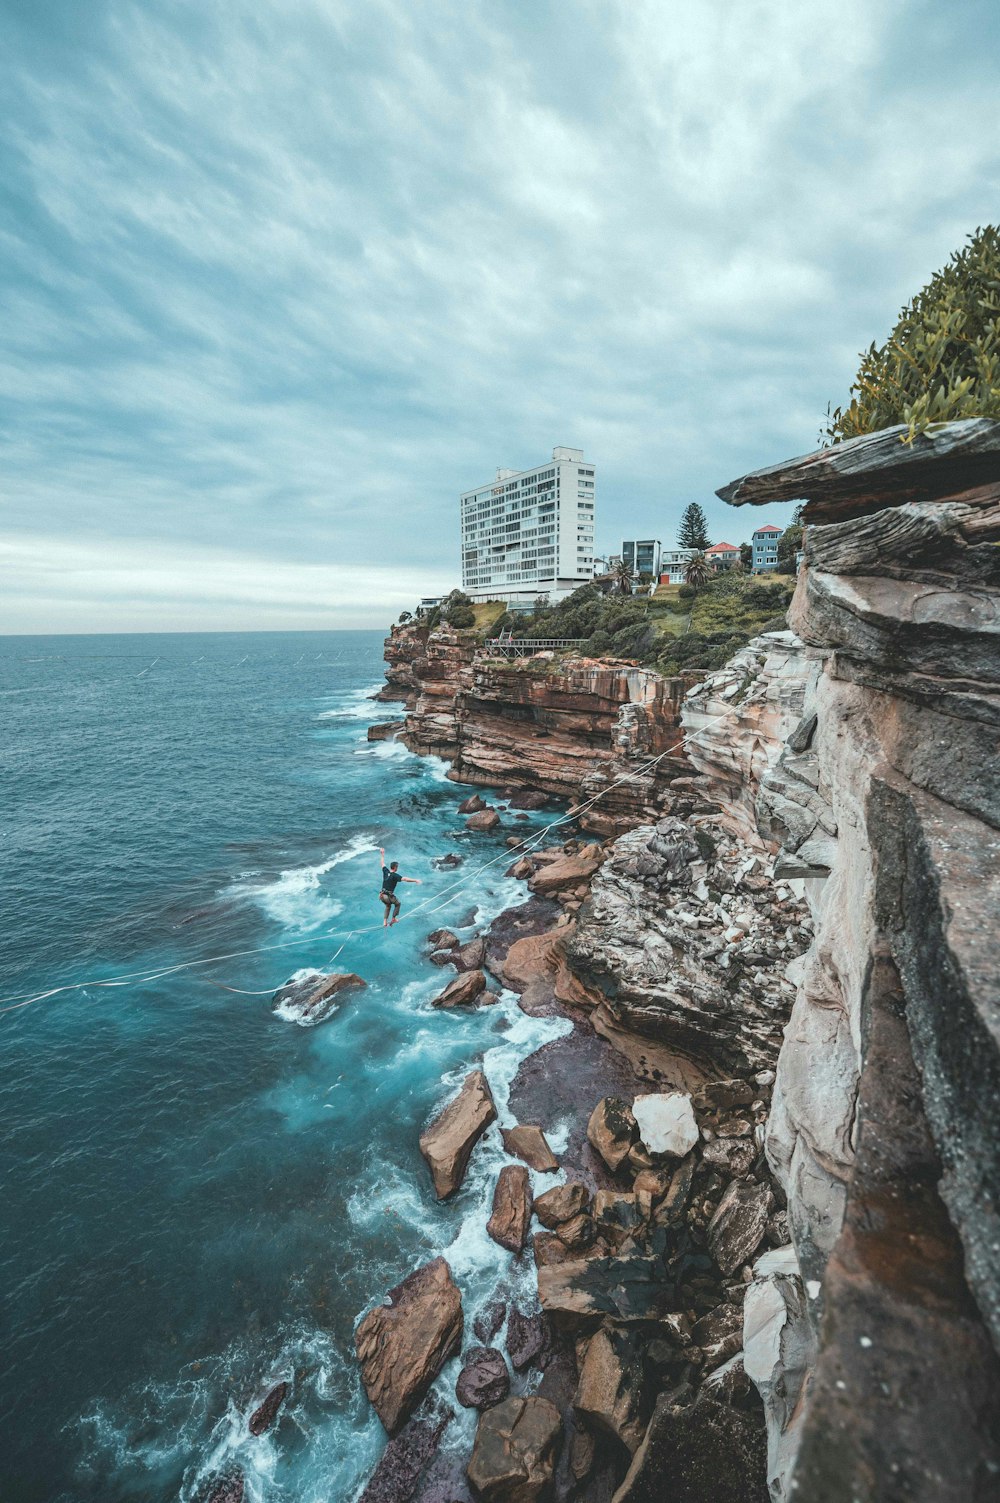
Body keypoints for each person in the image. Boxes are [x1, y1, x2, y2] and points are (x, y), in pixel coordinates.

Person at [378, 847, 421, 926]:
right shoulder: (395, 875)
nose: (397, 868)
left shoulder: (385, 871)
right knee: (398, 904)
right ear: (395, 868)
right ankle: (393, 918)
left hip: (382, 896)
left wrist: (382, 854)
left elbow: (382, 863)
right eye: (397, 867)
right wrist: (415, 880)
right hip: (388, 896)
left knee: (388, 906)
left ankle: (384, 921)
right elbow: (405, 879)